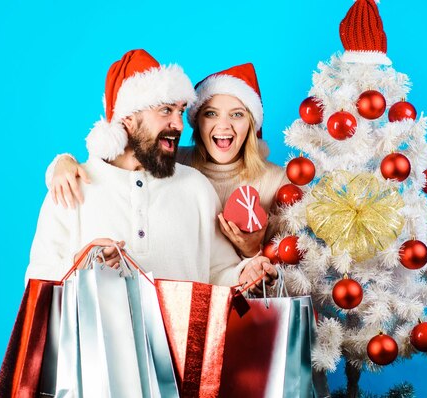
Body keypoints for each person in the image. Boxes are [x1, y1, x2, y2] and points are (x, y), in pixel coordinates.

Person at [26, 49, 276, 289]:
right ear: (128, 117)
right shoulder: (70, 186)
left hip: (182, 335)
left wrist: (245, 274)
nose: (178, 124)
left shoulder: (196, 187)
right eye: (166, 110)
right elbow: (35, 281)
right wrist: (79, 266)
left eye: (180, 111)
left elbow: (220, 271)